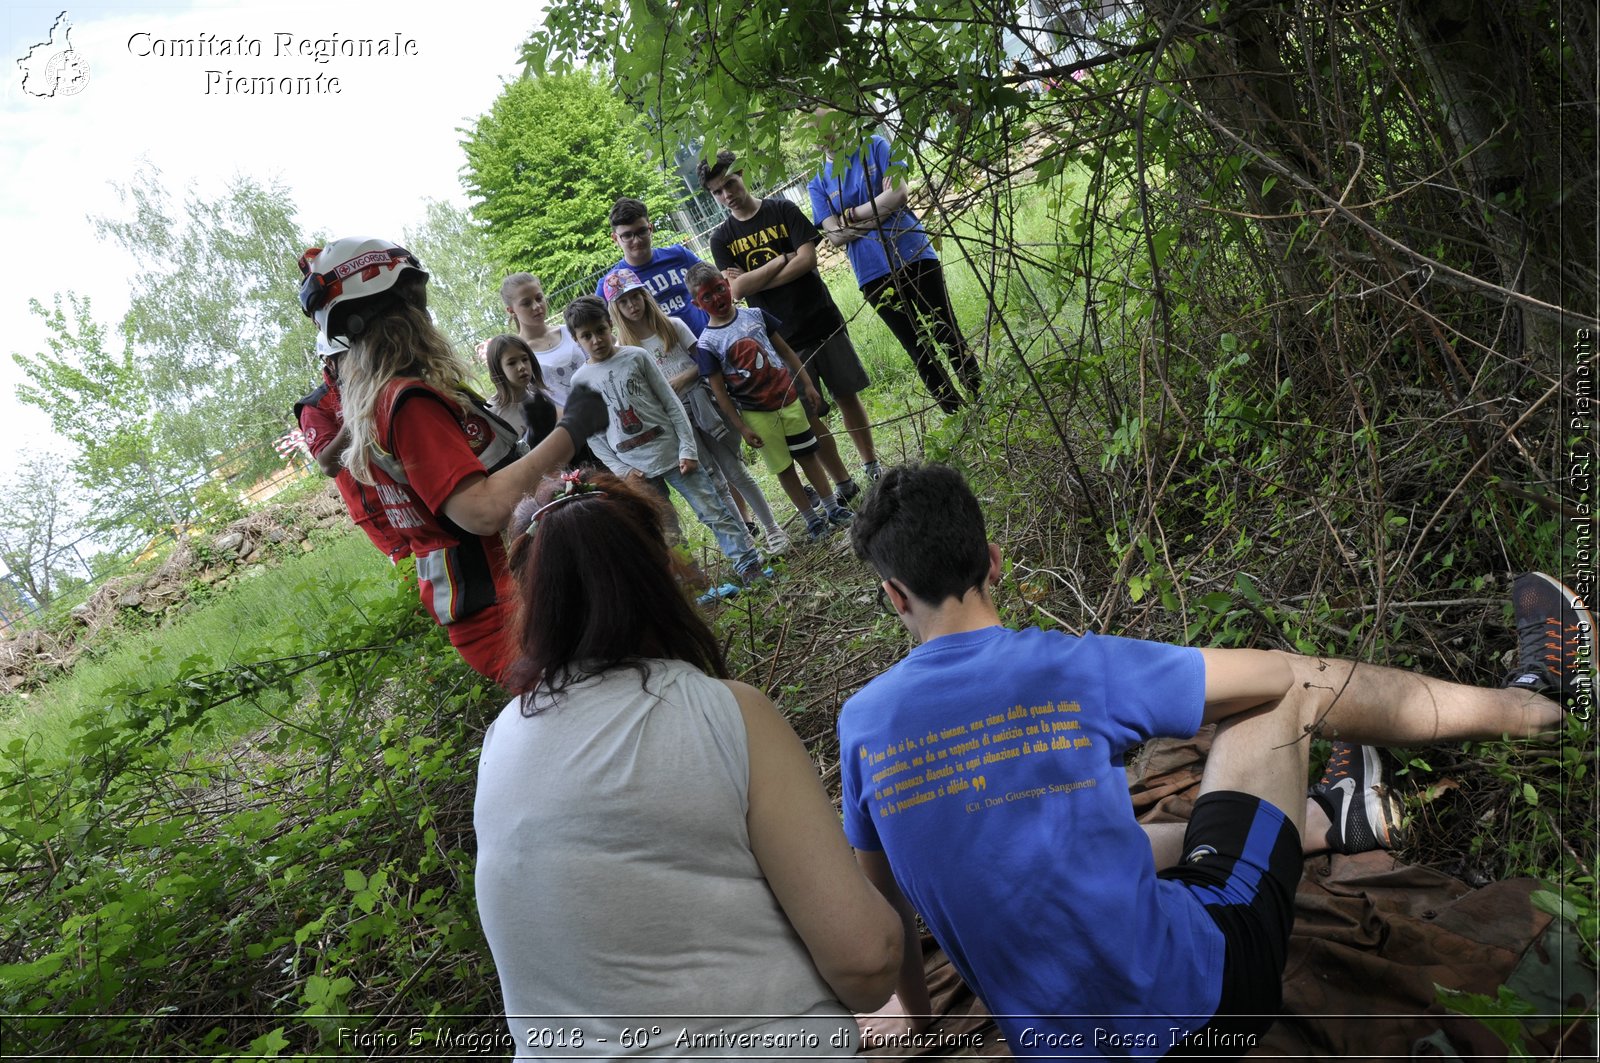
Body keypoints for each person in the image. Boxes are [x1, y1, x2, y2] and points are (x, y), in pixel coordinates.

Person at [838, 463, 1587, 1056]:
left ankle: (1330, 817)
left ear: (894, 593)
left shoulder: (861, 725)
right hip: (1211, 1006)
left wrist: (916, 1013)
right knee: (1285, 688)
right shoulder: (1068, 667)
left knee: (1084, 844)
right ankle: (1533, 704)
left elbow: (890, 907)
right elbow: (1267, 676)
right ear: (994, 560)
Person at [473, 469, 902, 1057]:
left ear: (533, 599)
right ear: (661, 572)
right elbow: (868, 961)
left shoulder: (500, 743)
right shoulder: (726, 714)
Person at [296, 237, 605, 686]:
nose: (426, 316)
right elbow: (481, 510)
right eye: (416, 304)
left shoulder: (384, 403)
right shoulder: (408, 403)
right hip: (501, 608)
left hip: (501, 601)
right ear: (398, 312)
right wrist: (571, 429)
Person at [700, 149, 880, 500]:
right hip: (777, 339)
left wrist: (754, 278)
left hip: (820, 318)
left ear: (743, 175)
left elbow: (808, 260)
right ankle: (843, 481)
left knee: (847, 395)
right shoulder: (720, 239)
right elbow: (735, 289)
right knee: (809, 412)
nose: (727, 195)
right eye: (717, 192)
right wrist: (783, 258)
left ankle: (870, 463)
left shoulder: (782, 210)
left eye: (730, 184)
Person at [564, 295, 768, 589]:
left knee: (713, 510)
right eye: (586, 336)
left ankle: (748, 565)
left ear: (610, 325)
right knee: (665, 528)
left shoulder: (636, 356)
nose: (596, 340)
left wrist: (687, 447)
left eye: (600, 330)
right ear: (576, 339)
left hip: (675, 455)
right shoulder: (580, 381)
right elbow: (593, 435)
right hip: (636, 471)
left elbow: (672, 404)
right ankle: (696, 583)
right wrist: (621, 470)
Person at [604, 267, 791, 555]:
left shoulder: (672, 325)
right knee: (714, 481)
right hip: (674, 421)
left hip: (703, 405)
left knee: (734, 471)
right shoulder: (624, 349)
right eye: (624, 302)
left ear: (645, 296)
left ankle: (772, 529)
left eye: (635, 297)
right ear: (615, 310)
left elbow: (704, 365)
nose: (632, 305)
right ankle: (744, 541)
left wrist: (680, 380)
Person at [807, 116, 981, 414]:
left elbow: (899, 194)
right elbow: (834, 237)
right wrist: (878, 209)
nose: (823, 136)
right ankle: (955, 412)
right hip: (871, 273)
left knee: (946, 330)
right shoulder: (817, 181)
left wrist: (849, 216)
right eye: (814, 132)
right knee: (917, 348)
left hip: (913, 252)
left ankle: (981, 398)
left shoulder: (874, 146)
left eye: (826, 127)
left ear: (839, 124)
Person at [687, 262, 855, 543]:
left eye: (719, 289)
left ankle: (831, 507)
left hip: (788, 400)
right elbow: (720, 393)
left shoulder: (756, 315)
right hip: (757, 415)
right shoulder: (707, 344)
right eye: (707, 296)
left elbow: (787, 352)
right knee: (783, 467)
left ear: (728, 286)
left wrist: (809, 384)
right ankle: (811, 519)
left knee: (807, 455)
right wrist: (741, 427)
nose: (717, 298)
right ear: (697, 303)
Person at [292, 334, 411, 564]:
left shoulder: (379, 378)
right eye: (348, 356)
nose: (358, 361)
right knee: (413, 569)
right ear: (330, 362)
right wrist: (357, 414)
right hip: (379, 508)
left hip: (411, 486)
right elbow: (328, 464)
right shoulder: (315, 406)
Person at [595, 196, 710, 336]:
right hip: (664, 356)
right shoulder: (610, 283)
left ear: (650, 228)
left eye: (641, 231)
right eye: (627, 235)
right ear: (615, 239)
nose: (636, 241)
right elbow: (597, 328)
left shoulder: (679, 255)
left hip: (709, 342)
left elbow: (713, 282)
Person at [501, 273, 588, 407]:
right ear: (511, 310)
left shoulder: (571, 331)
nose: (536, 306)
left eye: (539, 298)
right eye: (526, 303)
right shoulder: (519, 352)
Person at [483, 333, 560, 450]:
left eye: (525, 359)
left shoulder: (542, 400)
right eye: (511, 363)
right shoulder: (492, 414)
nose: (521, 367)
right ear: (498, 368)